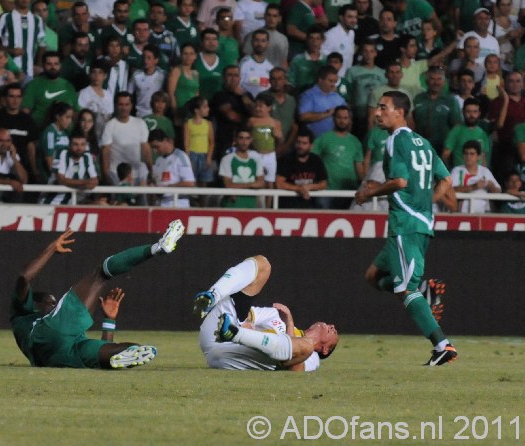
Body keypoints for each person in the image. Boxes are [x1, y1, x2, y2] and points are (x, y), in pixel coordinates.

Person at [354, 90, 458, 366]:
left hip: (405, 225)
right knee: (373, 276)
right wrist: (426, 204)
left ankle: (442, 346)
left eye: (383, 107)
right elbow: (446, 180)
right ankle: (424, 293)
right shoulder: (422, 142)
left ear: (399, 111)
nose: (377, 113)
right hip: (419, 222)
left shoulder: (394, 141)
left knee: (404, 288)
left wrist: (370, 192)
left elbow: (399, 181)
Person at [12, 221, 185, 369]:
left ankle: (130, 353)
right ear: (34, 304)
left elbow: (105, 345)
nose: (55, 307)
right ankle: (158, 248)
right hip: (46, 338)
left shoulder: (62, 331)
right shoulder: (23, 314)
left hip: (58, 357)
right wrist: (51, 248)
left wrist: (109, 320)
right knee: (101, 273)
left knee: (126, 350)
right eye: (50, 304)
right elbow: (24, 278)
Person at [192, 255, 339, 371]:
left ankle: (236, 333)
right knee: (263, 264)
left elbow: (295, 368)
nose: (332, 326)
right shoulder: (276, 316)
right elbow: (247, 314)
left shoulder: (313, 358)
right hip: (216, 335)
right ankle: (213, 295)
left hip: (236, 359)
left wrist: (290, 324)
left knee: (306, 347)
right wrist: (247, 323)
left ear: (325, 350)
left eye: (334, 333)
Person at [450, 140, 500, 213]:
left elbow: (498, 191)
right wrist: (474, 186)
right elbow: (451, 189)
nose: (468, 157)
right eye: (466, 153)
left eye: (472, 154)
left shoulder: (485, 171)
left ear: (478, 156)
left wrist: (491, 186)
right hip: (461, 213)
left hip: (482, 214)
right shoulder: (457, 170)